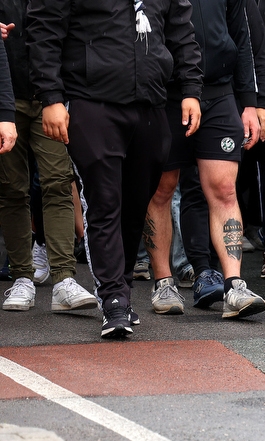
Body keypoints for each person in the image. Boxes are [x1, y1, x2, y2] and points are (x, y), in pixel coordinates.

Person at [27, 0, 203, 338]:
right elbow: (44, 27)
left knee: (137, 204)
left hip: (151, 101)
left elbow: (181, 27)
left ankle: (119, 287)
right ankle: (114, 299)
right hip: (92, 99)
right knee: (105, 200)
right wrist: (50, 97)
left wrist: (191, 89)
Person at [141, 0, 265, 320]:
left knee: (225, 189)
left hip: (219, 93)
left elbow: (242, 37)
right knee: (162, 188)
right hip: (167, 94)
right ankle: (163, 282)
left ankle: (235, 285)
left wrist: (249, 103)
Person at [1, 2, 98, 313]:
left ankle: (63, 279)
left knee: (57, 182)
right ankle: (22, 278)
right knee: (12, 190)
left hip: (50, 95)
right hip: (7, 96)